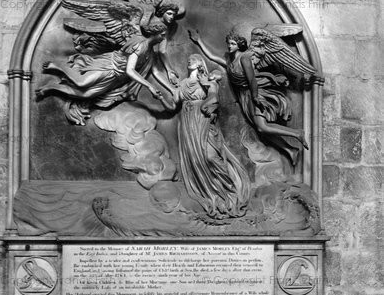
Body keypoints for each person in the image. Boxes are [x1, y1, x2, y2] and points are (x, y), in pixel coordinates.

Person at [189, 29, 307, 166]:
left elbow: (252, 80)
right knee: (261, 129)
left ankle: (297, 133)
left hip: (254, 94)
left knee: (262, 127)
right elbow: (212, 56)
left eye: (232, 43)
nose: (229, 46)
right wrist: (199, 41)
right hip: (245, 97)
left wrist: (255, 97)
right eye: (228, 43)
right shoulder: (231, 62)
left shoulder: (244, 58)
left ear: (239, 45)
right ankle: (291, 151)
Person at [164, 54, 250, 219]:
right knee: (195, 159)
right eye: (189, 59)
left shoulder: (207, 81)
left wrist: (208, 103)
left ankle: (229, 189)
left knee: (210, 156)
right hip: (188, 122)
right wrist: (162, 96)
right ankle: (208, 191)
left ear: (201, 64)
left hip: (203, 119)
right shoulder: (182, 84)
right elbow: (173, 104)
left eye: (195, 59)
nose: (190, 60)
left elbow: (214, 97)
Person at [36, 22, 168, 108]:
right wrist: (149, 86)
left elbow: (150, 69)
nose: (163, 38)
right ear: (155, 33)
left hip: (115, 76)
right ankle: (59, 66)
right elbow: (130, 70)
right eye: (162, 35)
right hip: (109, 65)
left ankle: (52, 87)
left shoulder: (149, 52)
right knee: (82, 83)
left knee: (86, 95)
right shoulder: (141, 45)